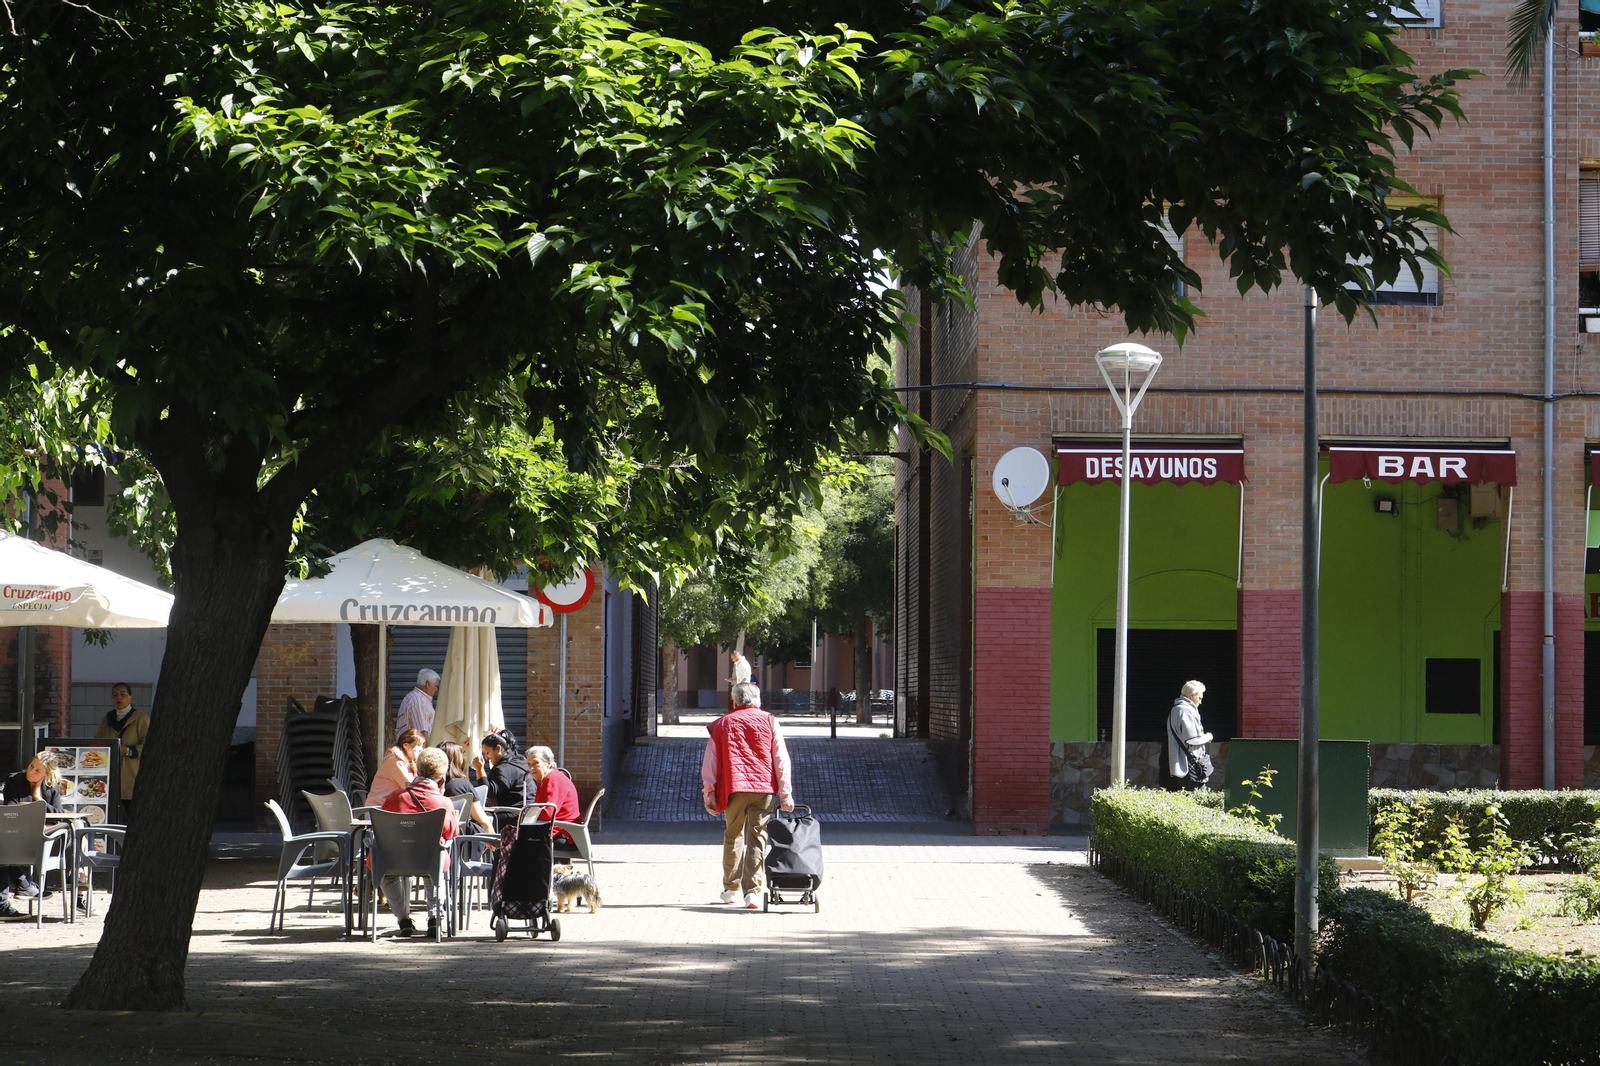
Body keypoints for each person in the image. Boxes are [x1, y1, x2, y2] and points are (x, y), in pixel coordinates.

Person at [702, 681, 793, 908]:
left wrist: (709, 795)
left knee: (733, 836)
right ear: (758, 698)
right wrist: (786, 793)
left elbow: (710, 764)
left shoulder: (722, 724)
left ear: (735, 700)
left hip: (734, 788)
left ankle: (731, 889)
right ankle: (752, 892)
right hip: (764, 788)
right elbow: (781, 758)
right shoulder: (770, 721)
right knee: (758, 837)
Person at [377, 746, 458, 938]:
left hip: (394, 859)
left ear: (417, 769)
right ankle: (434, 919)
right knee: (434, 870)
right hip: (430, 859)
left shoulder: (394, 797)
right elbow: (452, 833)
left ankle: (403, 918)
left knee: (387, 875)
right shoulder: (444, 803)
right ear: (442, 776)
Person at [0, 752, 65, 917]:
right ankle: (22, 885)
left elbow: (59, 813)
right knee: (4, 843)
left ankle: (23, 885)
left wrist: (38, 799)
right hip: (18, 832)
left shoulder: (52, 786)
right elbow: (11, 808)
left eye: (37, 771)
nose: (31, 772)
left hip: (45, 837)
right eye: (31, 766)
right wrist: (38, 811)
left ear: (47, 775)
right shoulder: (15, 780)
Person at [94, 682, 150, 816]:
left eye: (123, 694)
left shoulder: (141, 719)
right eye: (115, 695)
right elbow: (96, 743)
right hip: (108, 778)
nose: (119, 697)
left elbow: (149, 745)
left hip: (131, 775)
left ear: (130, 697)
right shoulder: (106, 720)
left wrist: (127, 750)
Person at [526, 745, 580, 845]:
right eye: (529, 764)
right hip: (553, 829)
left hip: (563, 833)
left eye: (536, 763)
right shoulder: (544, 780)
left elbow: (548, 813)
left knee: (517, 841)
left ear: (548, 762)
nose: (531, 768)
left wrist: (525, 815)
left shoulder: (553, 780)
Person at [1166, 680, 1214, 790]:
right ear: (1192, 695)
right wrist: (1208, 737)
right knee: (1197, 799)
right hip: (1189, 766)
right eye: (1199, 698)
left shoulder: (1177, 709)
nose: (1200, 702)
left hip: (1184, 764)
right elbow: (1192, 739)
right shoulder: (1185, 710)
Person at [438, 740, 494, 834]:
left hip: (437, 832)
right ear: (456, 760)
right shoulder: (462, 784)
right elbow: (481, 818)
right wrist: (490, 830)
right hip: (463, 835)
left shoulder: (429, 784)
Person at [471, 733, 530, 818]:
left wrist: (479, 768)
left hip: (514, 814)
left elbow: (488, 791)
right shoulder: (521, 761)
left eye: (487, 753)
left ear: (498, 748)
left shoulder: (505, 768)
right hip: (525, 812)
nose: (486, 758)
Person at [367, 728, 426, 809]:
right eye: (418, 745)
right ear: (405, 745)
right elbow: (411, 786)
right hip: (379, 809)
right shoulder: (395, 761)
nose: (421, 749)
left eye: (422, 745)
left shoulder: (407, 760)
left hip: (388, 809)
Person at [395, 668, 441, 737]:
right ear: (428, 684)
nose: (436, 689)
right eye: (435, 686)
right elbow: (422, 732)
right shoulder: (418, 701)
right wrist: (431, 748)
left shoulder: (420, 698)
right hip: (416, 746)